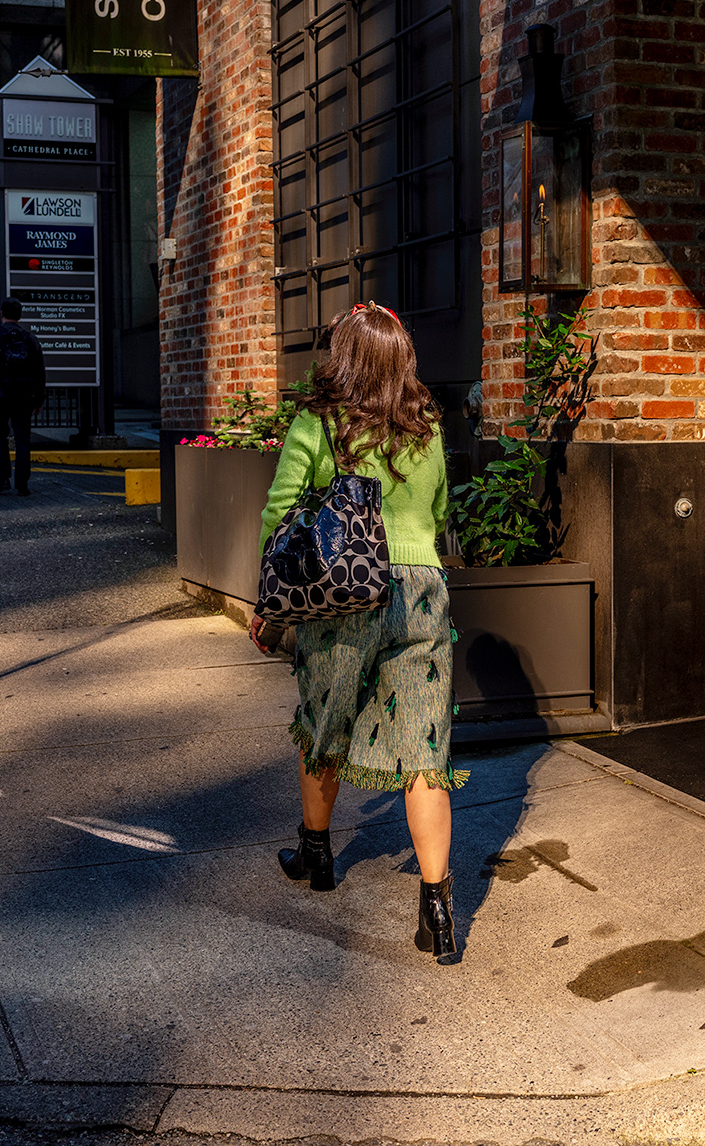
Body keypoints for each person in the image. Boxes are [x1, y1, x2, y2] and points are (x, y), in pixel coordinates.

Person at [252, 301, 464, 962]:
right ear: (402, 358)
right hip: (422, 594)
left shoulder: (319, 422)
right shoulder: (426, 425)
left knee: (324, 721)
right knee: (424, 750)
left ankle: (316, 852)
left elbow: (282, 514)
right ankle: (437, 908)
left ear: (342, 355)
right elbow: (438, 512)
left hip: (347, 593)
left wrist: (271, 605)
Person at [0, 298, 45, 496]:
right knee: (23, 437)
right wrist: (38, 398)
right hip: (23, 395)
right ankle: (22, 483)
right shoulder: (30, 338)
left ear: (1, 313)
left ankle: (3, 478)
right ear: (20, 315)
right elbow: (39, 370)